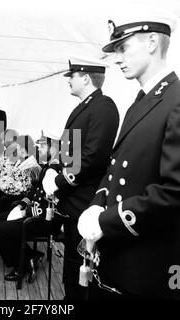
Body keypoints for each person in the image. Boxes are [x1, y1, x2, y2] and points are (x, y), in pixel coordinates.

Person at [77, 13, 180, 300]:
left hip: (145, 265)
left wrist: (106, 221)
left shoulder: (176, 102)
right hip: (116, 255)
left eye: (123, 48)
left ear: (151, 43)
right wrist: (97, 205)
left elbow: (174, 193)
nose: (117, 58)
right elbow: (115, 169)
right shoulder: (139, 102)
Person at [42, 59, 119, 300]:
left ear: (86, 78)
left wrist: (60, 182)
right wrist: (54, 168)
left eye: (72, 75)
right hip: (72, 200)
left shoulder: (103, 107)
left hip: (84, 200)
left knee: (82, 261)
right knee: (73, 259)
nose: (69, 79)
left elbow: (92, 157)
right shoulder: (84, 108)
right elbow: (70, 153)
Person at [0, 130, 62, 283]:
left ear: (53, 148)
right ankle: (31, 256)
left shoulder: (56, 170)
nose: (39, 150)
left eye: (42, 146)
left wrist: (26, 211)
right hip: (33, 212)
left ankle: (21, 263)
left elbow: (53, 204)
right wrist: (22, 204)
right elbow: (35, 192)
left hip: (42, 220)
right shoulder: (47, 166)